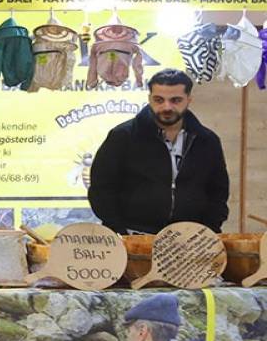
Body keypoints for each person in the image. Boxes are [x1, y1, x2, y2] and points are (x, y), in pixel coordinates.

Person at [88, 68, 229, 234]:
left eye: (175, 100)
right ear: (149, 99)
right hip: (133, 236)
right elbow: (101, 188)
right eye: (159, 100)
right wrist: (118, 229)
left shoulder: (207, 141)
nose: (166, 107)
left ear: (188, 100)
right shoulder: (122, 137)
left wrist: (209, 229)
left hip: (191, 241)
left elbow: (218, 192)